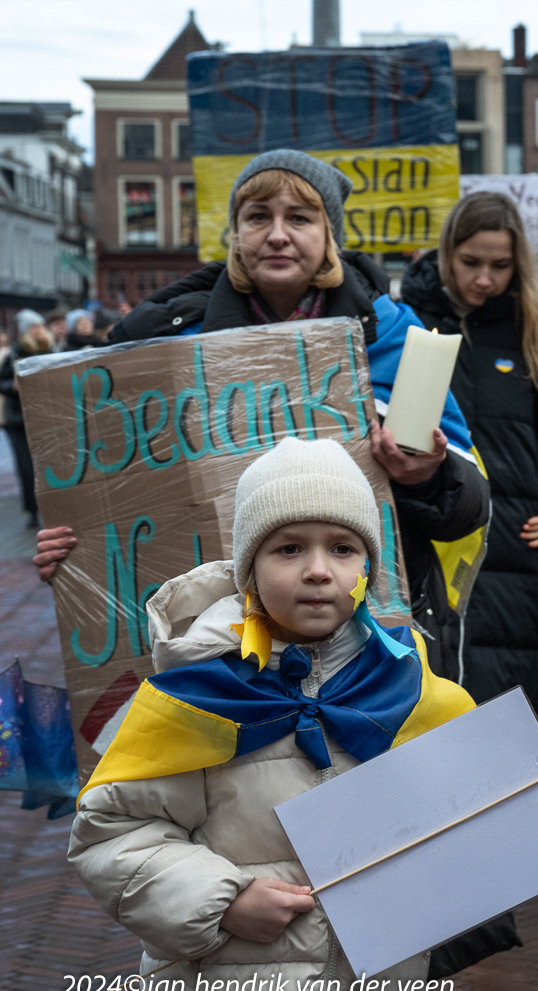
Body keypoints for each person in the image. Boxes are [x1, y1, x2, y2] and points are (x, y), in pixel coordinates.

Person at [31, 151, 490, 685]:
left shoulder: (394, 339)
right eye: (257, 217)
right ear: (235, 233)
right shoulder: (169, 349)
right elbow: (115, 503)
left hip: (362, 643)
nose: (276, 234)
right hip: (223, 647)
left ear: (330, 235)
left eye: (299, 217)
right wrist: (77, 551)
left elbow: (470, 506)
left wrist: (430, 475)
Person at [67, 436, 478, 989]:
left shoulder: (409, 686)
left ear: (368, 566)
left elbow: (496, 804)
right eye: (288, 549)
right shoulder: (195, 693)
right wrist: (222, 901)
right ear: (250, 568)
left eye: (342, 548)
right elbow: (112, 835)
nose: (317, 569)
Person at [400, 192, 538, 711]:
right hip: (426, 554)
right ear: (446, 254)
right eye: (471, 263)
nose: (484, 279)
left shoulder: (533, 332)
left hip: (513, 562)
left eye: (500, 266)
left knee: (506, 734)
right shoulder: (405, 325)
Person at [0, 310, 51, 528]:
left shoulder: (52, 350)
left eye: (40, 326)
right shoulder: (15, 354)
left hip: (46, 416)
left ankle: (51, 506)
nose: (38, 330)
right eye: (33, 327)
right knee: (26, 466)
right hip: (19, 419)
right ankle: (32, 509)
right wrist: (12, 386)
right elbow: (2, 382)